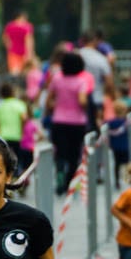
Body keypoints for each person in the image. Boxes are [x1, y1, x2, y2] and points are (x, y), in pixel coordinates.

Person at [46, 52, 90, 195]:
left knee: (60, 151)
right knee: (74, 154)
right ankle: (68, 181)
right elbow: (82, 101)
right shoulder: (81, 81)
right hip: (77, 122)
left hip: (59, 120)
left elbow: (49, 99)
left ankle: (59, 171)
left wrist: (51, 110)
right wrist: (84, 108)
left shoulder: (57, 78)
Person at [0, 83, 28, 167]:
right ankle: (16, 176)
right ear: (12, 92)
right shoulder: (19, 104)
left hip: (2, 136)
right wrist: (22, 129)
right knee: (16, 158)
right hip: (16, 136)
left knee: (5, 160)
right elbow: (24, 118)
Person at [78, 32, 114, 122]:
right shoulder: (101, 59)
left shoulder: (76, 55)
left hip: (77, 99)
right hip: (97, 97)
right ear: (95, 42)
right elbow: (109, 82)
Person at [107, 100, 131, 189]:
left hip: (115, 147)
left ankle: (117, 181)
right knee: (127, 163)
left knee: (116, 164)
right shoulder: (127, 122)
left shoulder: (111, 122)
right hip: (125, 146)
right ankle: (128, 179)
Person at [3, 12, 35, 76]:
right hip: (24, 53)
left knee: (14, 72)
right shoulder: (27, 27)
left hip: (13, 52)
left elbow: (5, 38)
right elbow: (29, 41)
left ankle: (15, 84)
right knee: (25, 73)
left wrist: (9, 47)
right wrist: (30, 53)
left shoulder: (10, 26)